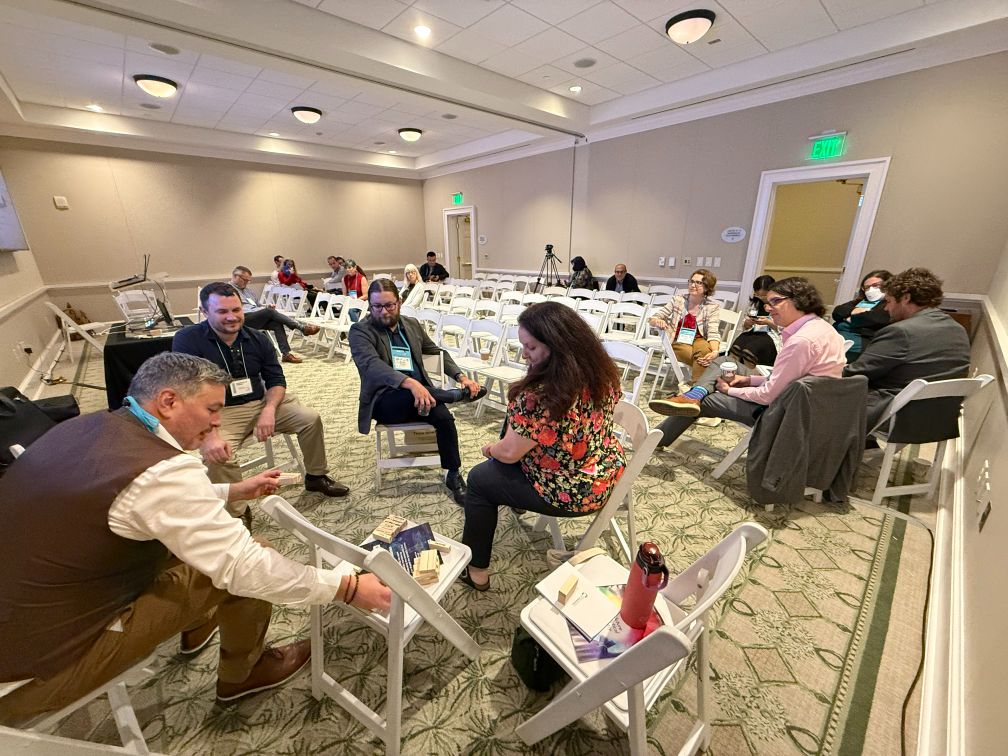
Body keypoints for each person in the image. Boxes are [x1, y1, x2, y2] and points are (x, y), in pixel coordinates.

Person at [0, 352, 391, 725]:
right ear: (169, 401)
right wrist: (347, 588)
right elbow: (242, 566)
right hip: (37, 672)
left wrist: (232, 491)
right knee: (249, 557)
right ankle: (244, 673)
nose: (217, 424)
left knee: (202, 548)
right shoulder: (161, 472)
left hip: (24, 623)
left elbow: (144, 505)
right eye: (212, 410)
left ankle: (197, 624)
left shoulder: (89, 426)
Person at [459, 302, 626, 590]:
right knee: (514, 433)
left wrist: (490, 449)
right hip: (604, 469)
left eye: (531, 347)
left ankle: (477, 571)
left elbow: (509, 453)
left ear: (558, 346)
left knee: (478, 479)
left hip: (570, 490)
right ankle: (514, 500)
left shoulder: (540, 396)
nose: (524, 354)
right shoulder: (603, 373)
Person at [173, 283, 350, 506]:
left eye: (236, 310)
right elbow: (187, 392)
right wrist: (209, 435)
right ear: (205, 311)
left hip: (260, 402)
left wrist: (269, 409)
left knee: (309, 419)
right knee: (218, 454)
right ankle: (236, 510)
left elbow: (276, 380)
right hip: (218, 413)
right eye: (222, 311)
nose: (232, 317)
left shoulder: (257, 338)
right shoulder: (188, 339)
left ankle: (316, 476)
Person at [649, 277, 846, 448]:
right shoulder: (821, 327)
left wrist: (729, 391)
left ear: (798, 301)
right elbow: (788, 379)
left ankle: (659, 435)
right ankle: (694, 394)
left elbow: (768, 395)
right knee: (725, 362)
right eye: (767, 302)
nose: (768, 308)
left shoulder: (802, 341)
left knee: (707, 400)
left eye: (775, 302)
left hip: (784, 412)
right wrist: (747, 380)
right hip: (801, 399)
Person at [348, 279, 485, 506]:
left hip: (425, 396)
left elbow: (436, 351)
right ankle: (451, 396)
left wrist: (461, 377)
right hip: (386, 400)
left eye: (389, 305)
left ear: (399, 302)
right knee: (411, 394)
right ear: (370, 306)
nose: (383, 311)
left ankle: (453, 475)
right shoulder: (360, 331)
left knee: (444, 419)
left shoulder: (411, 324)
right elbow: (371, 365)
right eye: (377, 306)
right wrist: (410, 383)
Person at [844, 267, 970, 432]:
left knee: (822, 397)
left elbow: (856, 372)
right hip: (940, 417)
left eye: (889, 301)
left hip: (899, 415)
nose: (886, 308)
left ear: (905, 298)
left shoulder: (901, 332)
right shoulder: (958, 329)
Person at [230, 266, 319, 364]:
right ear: (235, 276)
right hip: (242, 319)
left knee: (276, 323)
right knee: (269, 312)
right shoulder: (229, 291)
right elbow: (239, 309)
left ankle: (286, 354)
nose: (246, 283)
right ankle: (301, 328)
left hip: (255, 317)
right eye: (244, 280)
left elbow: (257, 305)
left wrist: (266, 306)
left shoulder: (248, 291)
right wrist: (265, 310)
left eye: (248, 281)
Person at [648, 268, 722, 382]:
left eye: (699, 283)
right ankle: (698, 387)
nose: (693, 285)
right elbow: (653, 319)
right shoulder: (678, 300)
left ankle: (696, 387)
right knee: (701, 357)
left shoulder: (712, 306)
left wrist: (715, 352)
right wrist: (657, 321)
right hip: (677, 340)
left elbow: (713, 332)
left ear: (707, 287)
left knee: (705, 351)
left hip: (699, 340)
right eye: (691, 281)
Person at [831, 269, 892, 360]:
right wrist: (854, 311)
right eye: (867, 287)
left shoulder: (889, 304)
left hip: (862, 340)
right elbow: (837, 312)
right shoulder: (860, 301)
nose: (871, 290)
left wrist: (849, 318)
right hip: (839, 333)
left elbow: (874, 319)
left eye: (875, 285)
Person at [726, 274, 779, 368]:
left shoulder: (780, 305)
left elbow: (785, 329)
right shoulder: (755, 303)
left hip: (770, 335)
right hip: (753, 331)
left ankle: (749, 375)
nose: (761, 298)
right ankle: (731, 371)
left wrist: (768, 322)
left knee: (750, 351)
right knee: (737, 346)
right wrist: (747, 323)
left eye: (764, 295)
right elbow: (745, 325)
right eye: (758, 295)